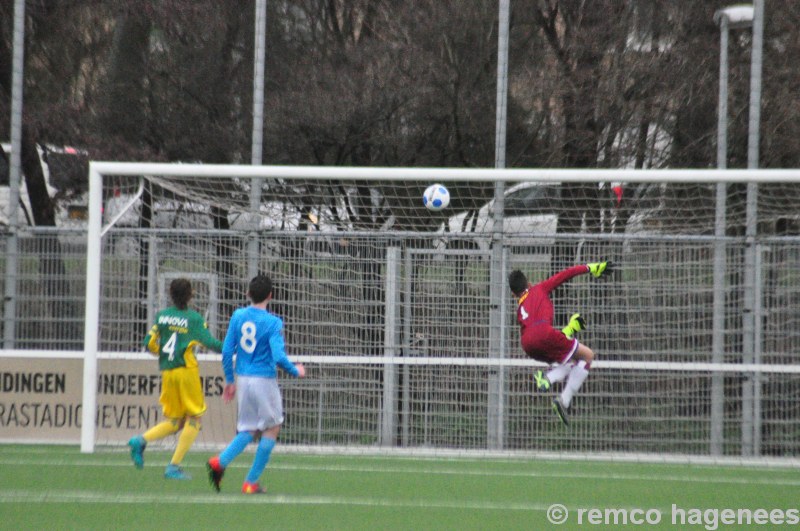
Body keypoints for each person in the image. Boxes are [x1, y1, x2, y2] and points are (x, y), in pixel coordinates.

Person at [207, 274, 306, 494]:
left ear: (248, 294)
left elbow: (226, 351)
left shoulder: (238, 315)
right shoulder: (273, 322)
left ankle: (220, 462)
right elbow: (279, 357)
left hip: (243, 379)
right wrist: (295, 370)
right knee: (272, 428)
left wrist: (230, 380)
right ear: (271, 296)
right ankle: (250, 482)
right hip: (263, 381)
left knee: (249, 428)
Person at [128, 278, 223, 479]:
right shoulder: (194, 319)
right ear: (190, 295)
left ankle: (140, 440)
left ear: (170, 294)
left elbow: (148, 343)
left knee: (175, 422)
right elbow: (210, 343)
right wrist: (232, 349)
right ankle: (173, 466)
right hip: (186, 372)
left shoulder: (162, 317)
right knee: (195, 419)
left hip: (168, 372)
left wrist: (161, 353)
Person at [508, 261, 614, 426]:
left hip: (527, 344)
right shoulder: (540, 288)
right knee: (587, 356)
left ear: (513, 295)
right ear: (529, 283)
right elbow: (565, 274)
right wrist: (590, 268)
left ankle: (551, 382)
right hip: (542, 334)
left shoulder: (521, 306)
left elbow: (541, 338)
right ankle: (555, 388)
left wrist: (570, 329)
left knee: (572, 361)